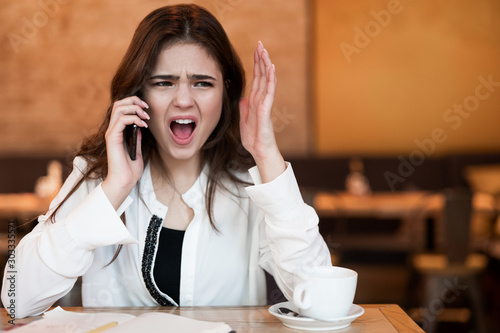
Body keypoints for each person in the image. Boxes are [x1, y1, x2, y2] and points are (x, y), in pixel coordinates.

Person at [1, 4, 331, 318]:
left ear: (225, 93)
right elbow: (17, 299)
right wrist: (113, 190)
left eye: (202, 83)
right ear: (138, 95)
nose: (184, 100)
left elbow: (322, 302)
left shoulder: (251, 185)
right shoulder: (97, 176)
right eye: (163, 83)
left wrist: (267, 155)